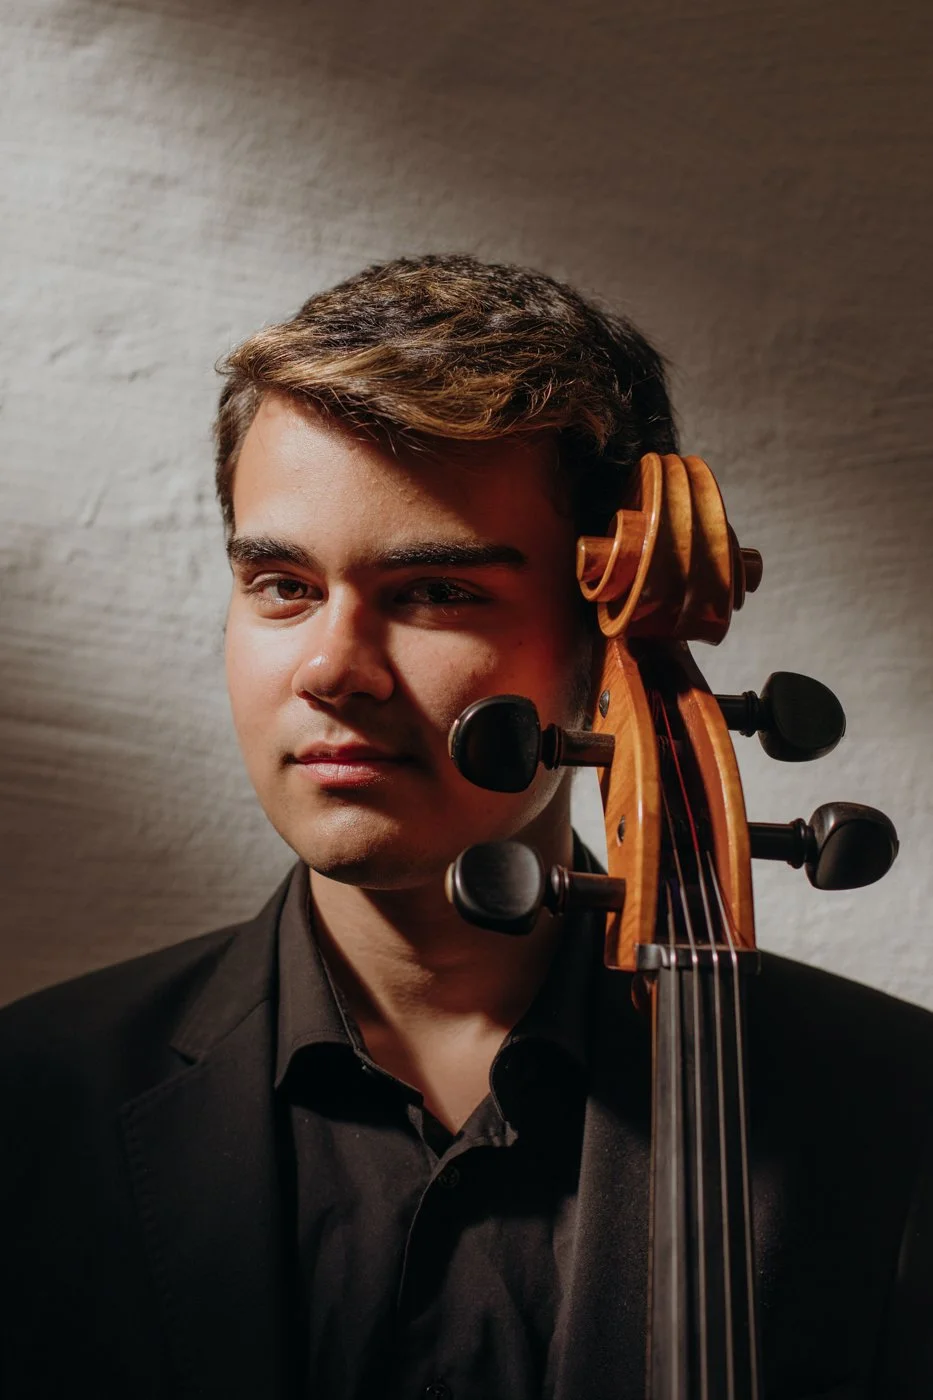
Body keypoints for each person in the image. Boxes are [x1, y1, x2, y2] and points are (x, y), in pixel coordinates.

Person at [1, 254, 931, 1400]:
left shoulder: (899, 1121)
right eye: (282, 584)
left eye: (435, 592)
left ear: (606, 640)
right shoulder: (31, 1104)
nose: (334, 668)